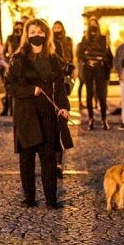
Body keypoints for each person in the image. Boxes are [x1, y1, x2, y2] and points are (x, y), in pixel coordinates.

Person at [5, 18, 73, 208]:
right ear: (27, 35)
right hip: (26, 114)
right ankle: (29, 198)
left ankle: (51, 199)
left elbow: (59, 86)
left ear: (46, 34)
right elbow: (9, 86)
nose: (36, 35)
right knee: (26, 159)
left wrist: (64, 106)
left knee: (49, 159)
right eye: (33, 32)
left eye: (40, 32)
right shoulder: (18, 59)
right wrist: (29, 91)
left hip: (47, 114)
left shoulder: (53, 58)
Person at [78, 17, 112, 130]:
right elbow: (81, 54)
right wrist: (90, 58)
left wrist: (92, 55)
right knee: (89, 95)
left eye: (95, 24)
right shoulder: (85, 38)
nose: (93, 26)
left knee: (101, 95)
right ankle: (91, 119)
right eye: (91, 24)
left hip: (100, 70)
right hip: (88, 69)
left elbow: (104, 53)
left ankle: (104, 119)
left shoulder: (103, 38)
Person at [1, 22, 24, 116]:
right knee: (9, 88)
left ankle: (16, 109)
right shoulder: (9, 38)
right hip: (10, 66)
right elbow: (4, 52)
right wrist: (7, 62)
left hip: (22, 66)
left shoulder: (24, 38)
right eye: (16, 27)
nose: (18, 29)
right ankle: (7, 108)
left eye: (20, 27)